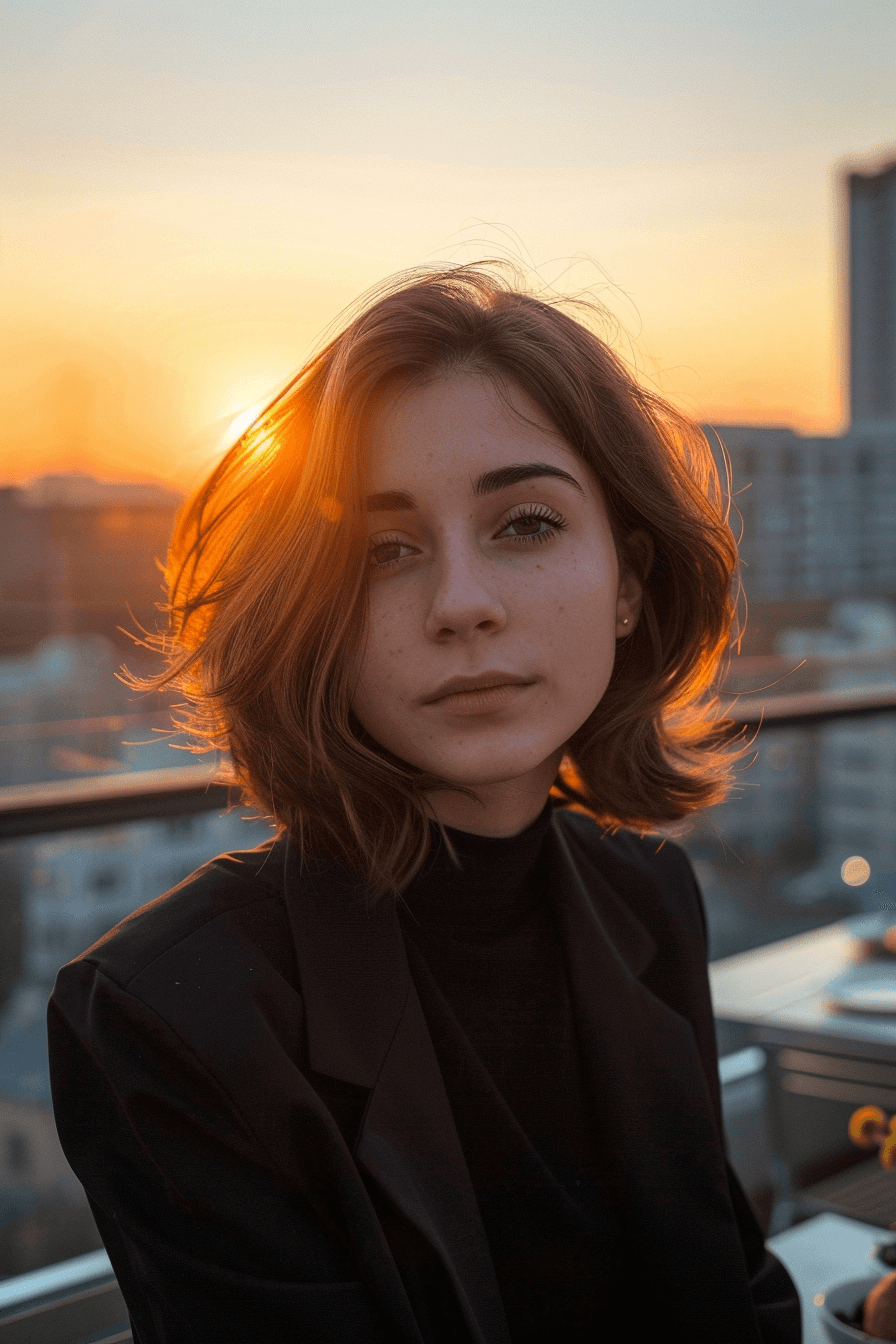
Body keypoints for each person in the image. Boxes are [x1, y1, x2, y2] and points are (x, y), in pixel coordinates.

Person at [48, 264, 801, 1344]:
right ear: (316, 616)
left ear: (628, 583)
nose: (461, 604)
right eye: (382, 551)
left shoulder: (646, 897)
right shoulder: (170, 1012)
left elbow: (729, 1296)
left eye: (525, 524)